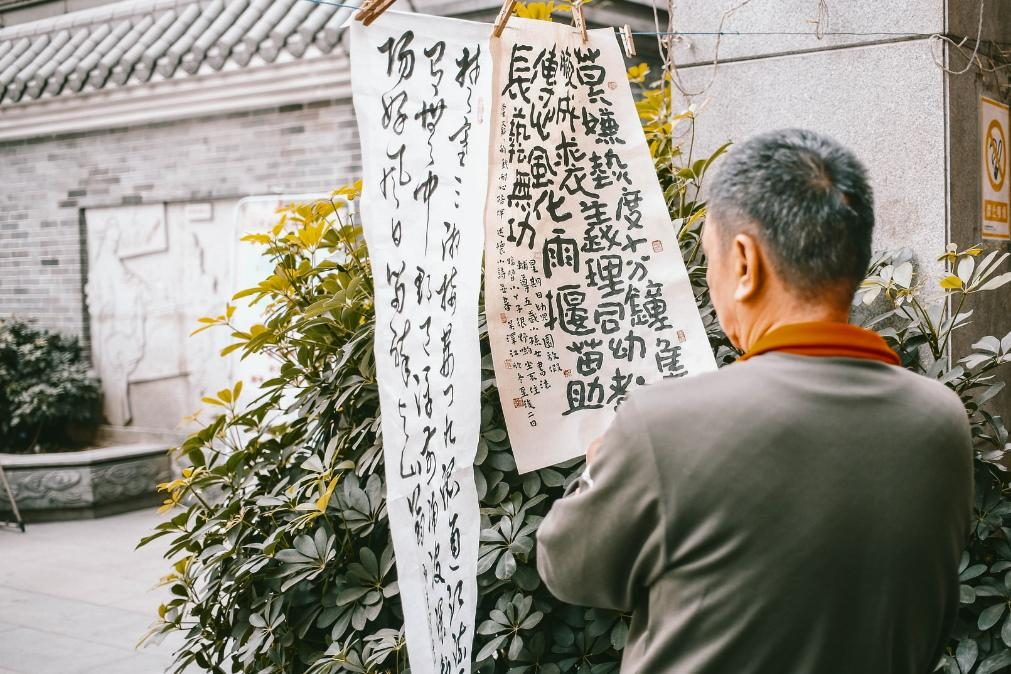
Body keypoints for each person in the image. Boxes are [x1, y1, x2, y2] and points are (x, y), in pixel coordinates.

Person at [535, 128, 973, 674]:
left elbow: (568, 568)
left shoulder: (663, 425)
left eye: (710, 255)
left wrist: (603, 465)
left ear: (744, 263)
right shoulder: (941, 421)